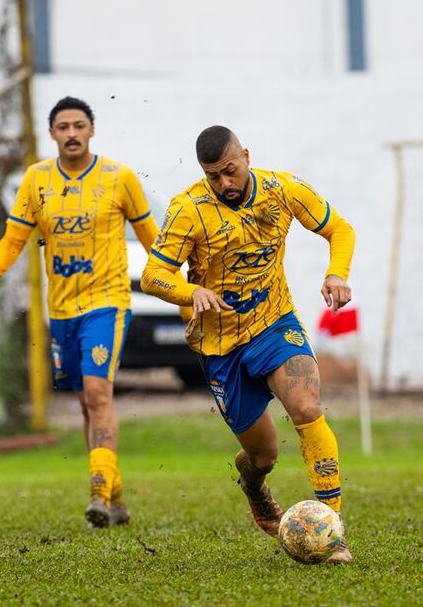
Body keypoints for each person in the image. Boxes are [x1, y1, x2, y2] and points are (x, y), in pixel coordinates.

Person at [142, 126, 357, 563]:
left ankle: (331, 529)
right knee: (263, 454)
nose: (224, 184)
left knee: (307, 407)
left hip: (274, 323)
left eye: (230, 171)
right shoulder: (189, 209)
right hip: (220, 346)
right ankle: (255, 487)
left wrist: (337, 273)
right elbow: (153, 275)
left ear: (245, 155)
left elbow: (341, 229)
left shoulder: (282, 189)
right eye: (213, 176)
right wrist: (190, 293)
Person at [0, 96, 159, 528]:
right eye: (64, 127)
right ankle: (115, 497)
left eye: (80, 125)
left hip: (107, 303)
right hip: (61, 310)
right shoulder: (36, 179)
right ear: (53, 133)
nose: (72, 133)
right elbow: (15, 237)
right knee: (85, 401)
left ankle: (97, 491)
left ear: (92, 130)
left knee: (98, 394)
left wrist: (180, 289)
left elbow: (153, 239)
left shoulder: (120, 178)